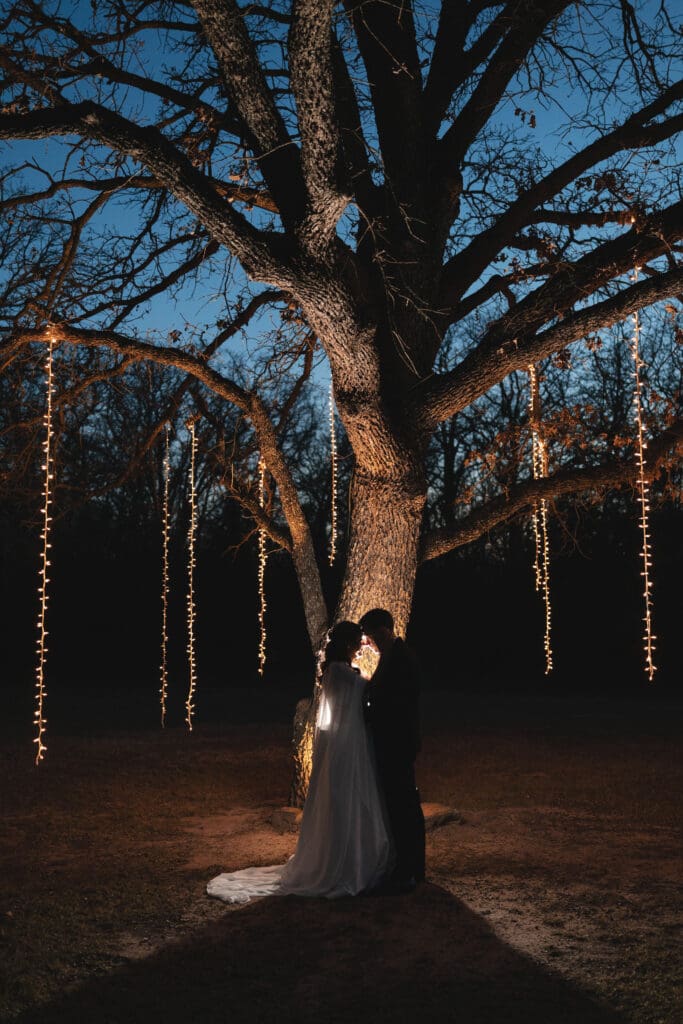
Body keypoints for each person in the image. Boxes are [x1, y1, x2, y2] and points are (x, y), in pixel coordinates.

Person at [206, 621, 391, 903]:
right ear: (348, 645)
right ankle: (345, 862)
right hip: (347, 746)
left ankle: (348, 855)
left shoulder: (333, 671)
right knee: (347, 798)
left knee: (348, 799)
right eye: (356, 643)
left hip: (343, 744)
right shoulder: (341, 673)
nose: (358, 648)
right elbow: (367, 691)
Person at [360, 608, 425, 893]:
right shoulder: (392, 655)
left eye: (372, 634)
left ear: (383, 630)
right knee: (400, 804)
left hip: (398, 742)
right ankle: (408, 866)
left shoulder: (401, 657)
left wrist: (371, 705)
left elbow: (399, 703)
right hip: (393, 740)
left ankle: (409, 869)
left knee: (403, 805)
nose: (370, 641)